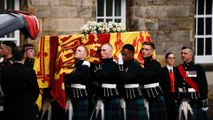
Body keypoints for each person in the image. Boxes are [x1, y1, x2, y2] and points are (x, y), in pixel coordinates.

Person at [1, 46, 39, 120]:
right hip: (26, 108)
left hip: (10, 107)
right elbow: (35, 91)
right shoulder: (29, 72)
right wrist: (29, 101)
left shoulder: (5, 71)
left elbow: (4, 88)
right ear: (24, 55)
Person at [91, 43, 123, 120]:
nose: (101, 52)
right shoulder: (101, 65)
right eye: (101, 50)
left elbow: (101, 76)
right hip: (100, 97)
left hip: (112, 97)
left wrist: (98, 71)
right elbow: (94, 77)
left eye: (104, 50)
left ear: (110, 51)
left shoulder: (114, 64)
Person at [176, 46, 208, 120]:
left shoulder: (198, 68)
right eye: (181, 53)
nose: (182, 55)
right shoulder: (178, 68)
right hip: (182, 99)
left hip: (194, 99)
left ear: (191, 55)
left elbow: (203, 86)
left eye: (185, 53)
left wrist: (204, 101)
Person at [119, 44, 148, 120]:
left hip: (135, 96)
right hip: (125, 97)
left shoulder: (136, 65)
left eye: (125, 54)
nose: (123, 57)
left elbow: (125, 78)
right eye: (122, 54)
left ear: (132, 54)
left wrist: (120, 66)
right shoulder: (124, 65)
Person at [140, 41, 167, 120]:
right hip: (147, 95)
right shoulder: (145, 63)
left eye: (147, 49)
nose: (144, 51)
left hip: (155, 95)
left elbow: (145, 76)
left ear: (152, 52)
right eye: (142, 49)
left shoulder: (155, 64)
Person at [64, 45, 90, 120]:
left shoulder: (86, 65)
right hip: (71, 97)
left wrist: (68, 75)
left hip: (81, 96)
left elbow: (73, 77)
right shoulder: (73, 64)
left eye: (79, 51)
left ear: (85, 54)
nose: (76, 51)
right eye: (76, 50)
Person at [0, 41, 16, 119]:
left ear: (8, 50)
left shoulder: (13, 64)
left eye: (2, 48)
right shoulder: (3, 63)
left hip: (11, 99)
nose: (0, 50)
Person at [161, 52, 178, 120]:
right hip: (166, 96)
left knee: (175, 114)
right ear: (166, 60)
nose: (171, 60)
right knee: (167, 114)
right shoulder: (162, 70)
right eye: (170, 58)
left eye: (173, 58)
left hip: (175, 95)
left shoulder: (177, 70)